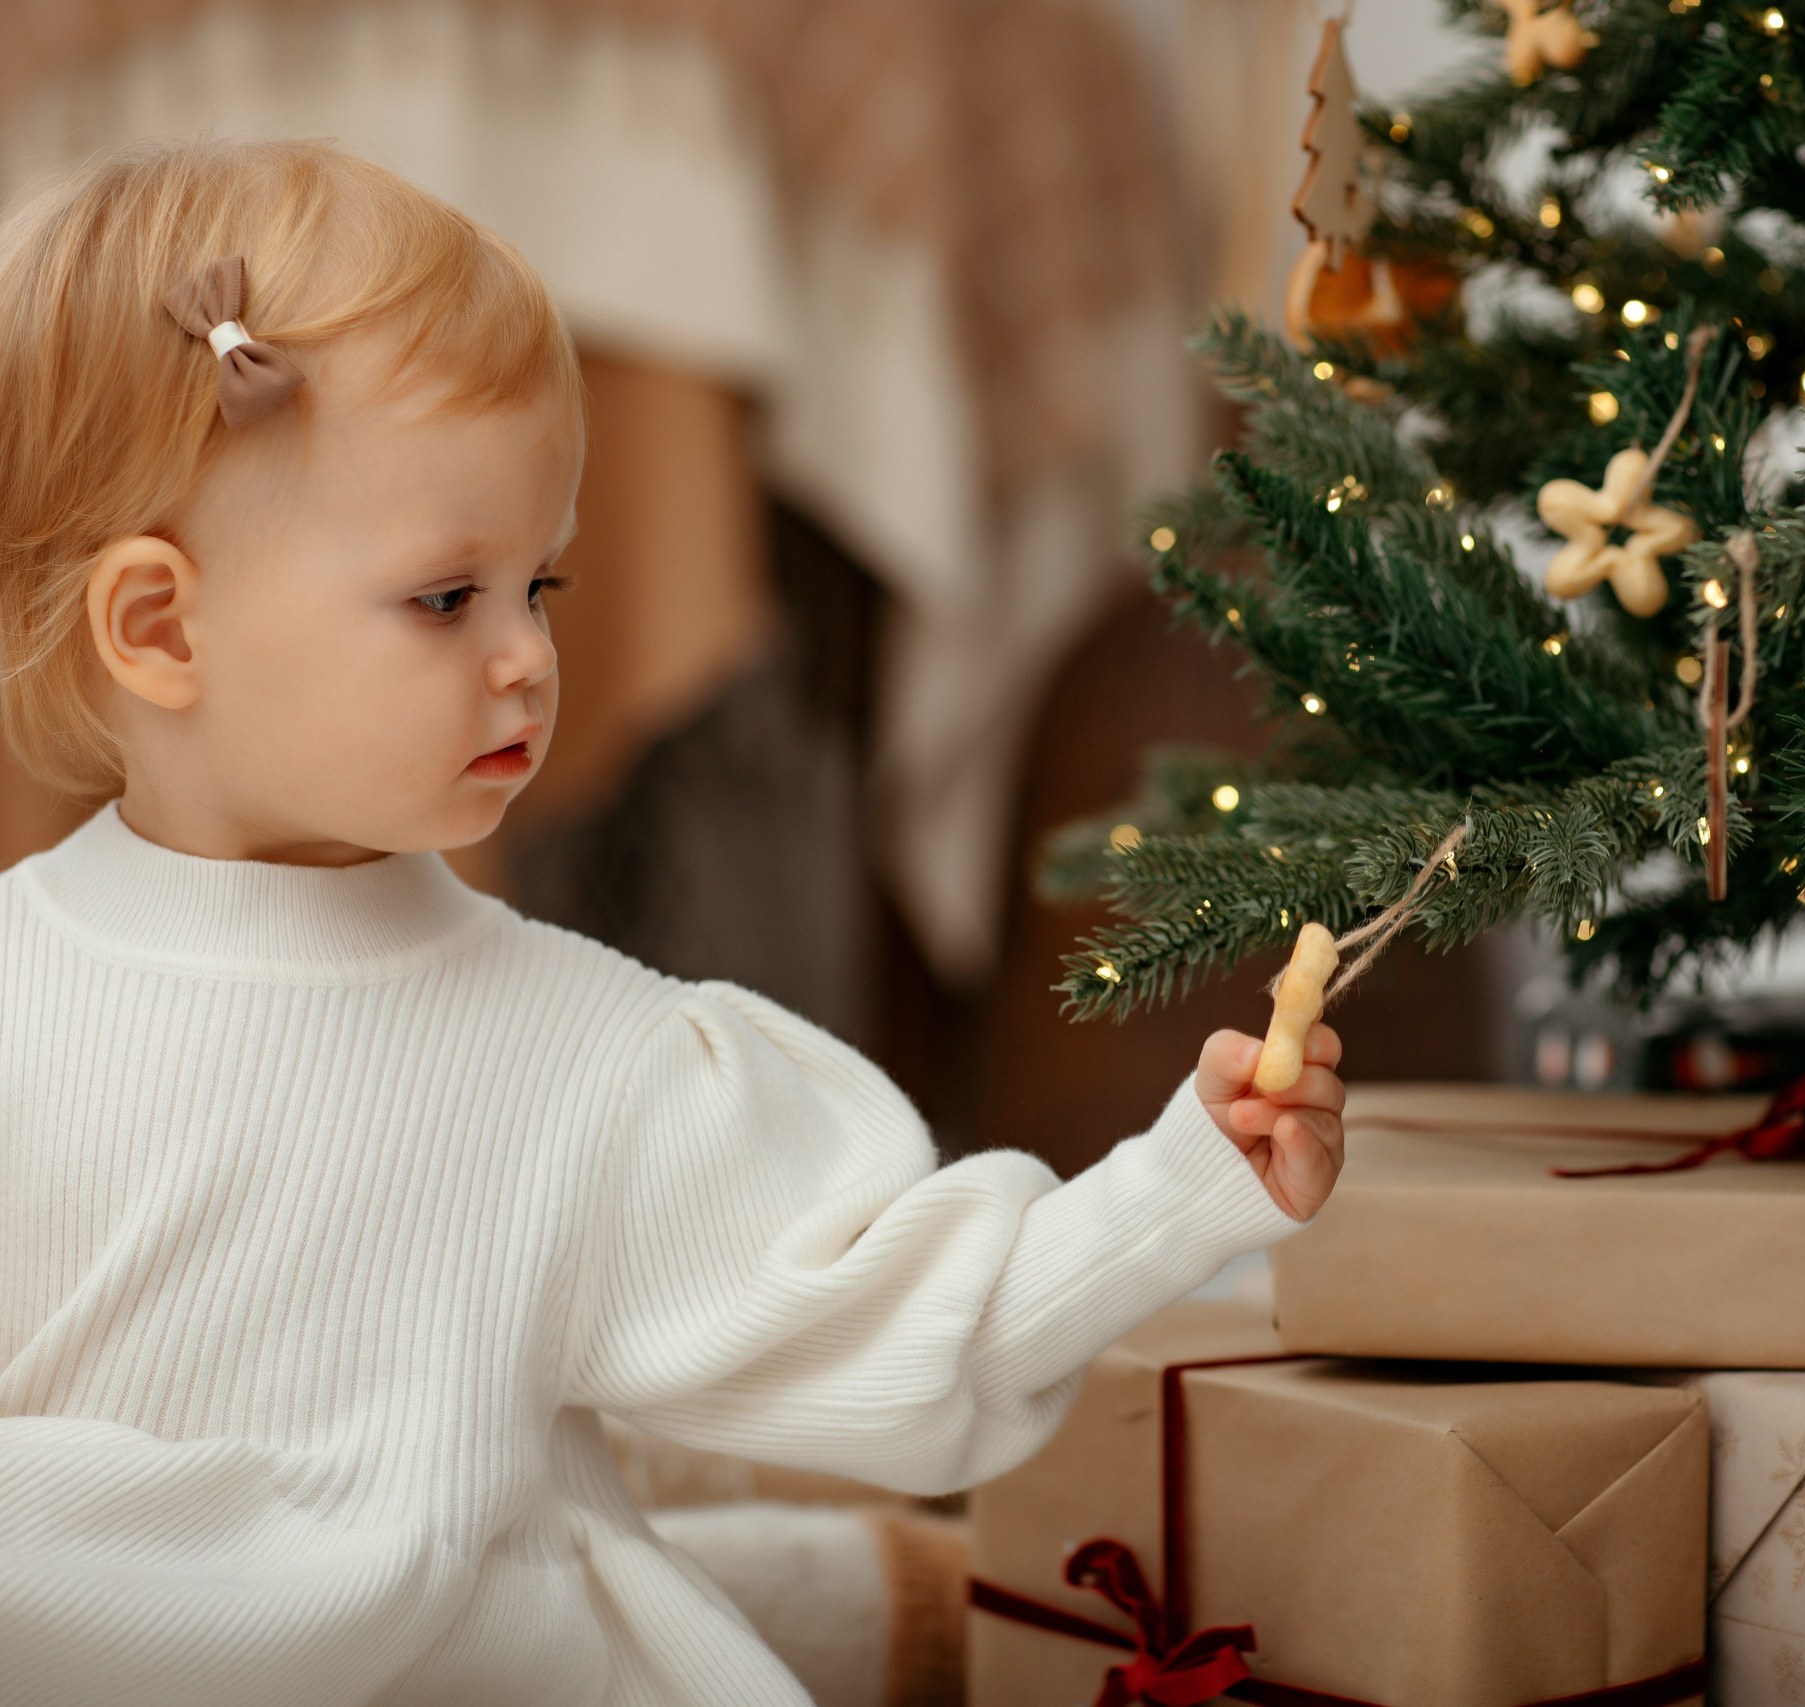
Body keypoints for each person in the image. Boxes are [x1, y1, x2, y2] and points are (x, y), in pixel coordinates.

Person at [0, 137, 1343, 1705]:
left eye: (542, 589)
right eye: (448, 598)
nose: (523, 659)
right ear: (161, 626)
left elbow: (906, 1327)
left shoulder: (578, 1061)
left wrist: (1180, 1187)